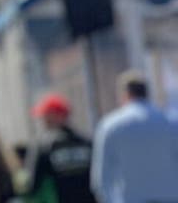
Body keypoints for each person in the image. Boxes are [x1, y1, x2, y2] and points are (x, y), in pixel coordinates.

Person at [92, 71, 178, 203]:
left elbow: (102, 178)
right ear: (147, 93)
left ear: (125, 94)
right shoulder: (172, 122)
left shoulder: (110, 126)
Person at [23, 94, 94, 203]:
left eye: (45, 115)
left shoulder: (43, 146)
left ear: (57, 115)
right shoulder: (87, 143)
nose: (43, 120)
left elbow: (31, 184)